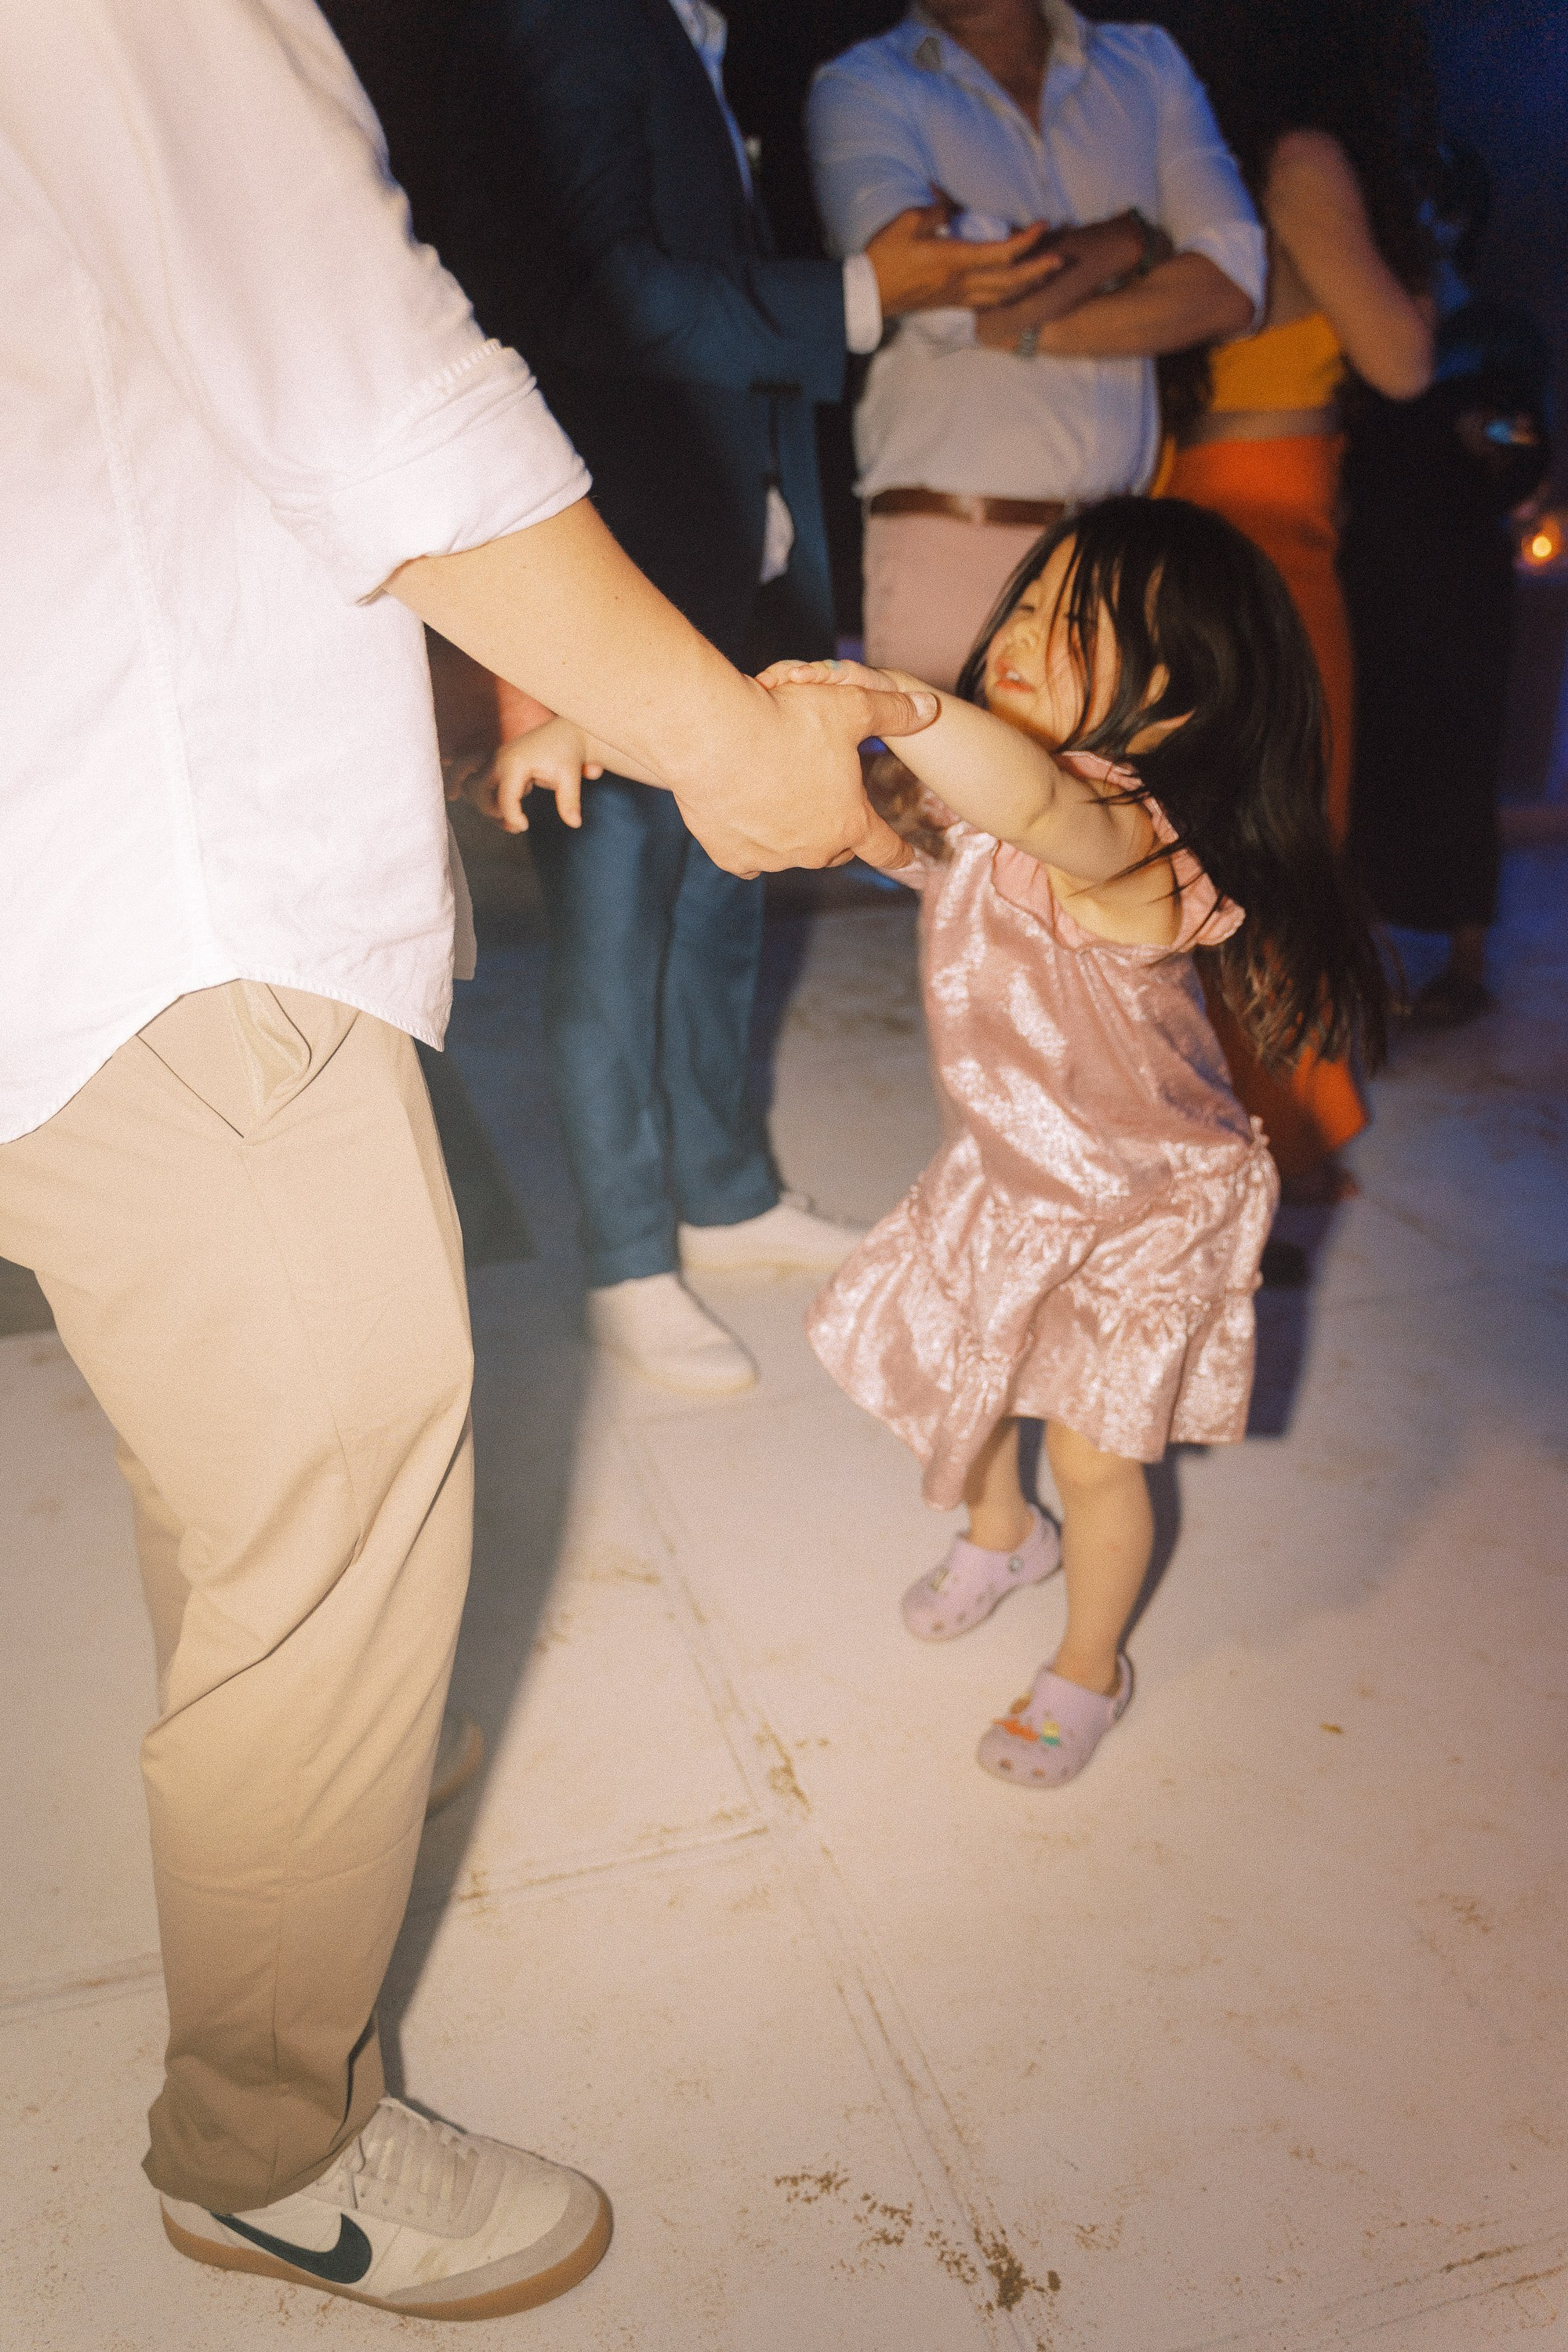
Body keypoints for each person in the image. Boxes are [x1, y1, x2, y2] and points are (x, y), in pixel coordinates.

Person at [0, 0, 935, 2321]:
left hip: (81, 854)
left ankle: (311, 1768)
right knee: (338, 1456)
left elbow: (136, 396)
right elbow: (354, 367)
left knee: (243, 1461)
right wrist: (710, 726)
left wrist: (499, 655)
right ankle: (270, 2136)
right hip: (167, 894)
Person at [437, 0, 1062, 1396]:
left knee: (724, 900)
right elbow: (594, 291)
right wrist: (861, 297)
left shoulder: (687, 35)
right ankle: (622, 1262)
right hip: (628, 582)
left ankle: (720, 1195)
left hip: (739, 553)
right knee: (612, 939)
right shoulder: (580, 25)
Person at [779, 500, 1387, 1783]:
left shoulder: (1143, 846)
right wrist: (617, 726)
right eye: (1032, 601)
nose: (1024, 632)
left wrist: (912, 707)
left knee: (1098, 1459)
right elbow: (867, 802)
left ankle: (1090, 1664)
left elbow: (1055, 816)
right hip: (1008, 1175)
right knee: (963, 1377)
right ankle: (1003, 1536)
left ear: (1180, 702)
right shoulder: (980, 798)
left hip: (1141, 1213)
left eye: (1078, 624)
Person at [1156, 0, 1435, 1200]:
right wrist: (1434, 285)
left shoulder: (1194, 152)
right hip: (1272, 533)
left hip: (1199, 511)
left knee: (1210, 846)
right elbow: (1402, 361)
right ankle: (1266, 1139)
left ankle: (1209, 1133)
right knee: (1278, 844)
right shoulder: (1302, 160)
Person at [807, 0, 1266, 691]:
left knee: (1107, 798)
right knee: (941, 800)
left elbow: (1233, 285)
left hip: (1119, 557)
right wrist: (1135, 240)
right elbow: (927, 288)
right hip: (953, 542)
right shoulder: (864, 83)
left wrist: (1014, 323)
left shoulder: (1147, 64)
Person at [1343, 141, 1551, 1024]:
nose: (1424, 223)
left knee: (1458, 756)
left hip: (1461, 581)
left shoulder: (1498, 333)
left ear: (1463, 220)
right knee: (1374, 750)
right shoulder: (1367, 319)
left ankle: (1465, 962)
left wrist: (1493, 437)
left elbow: (1522, 444)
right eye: (1408, 203)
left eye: (1440, 205)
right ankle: (1367, 952)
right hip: (1373, 572)